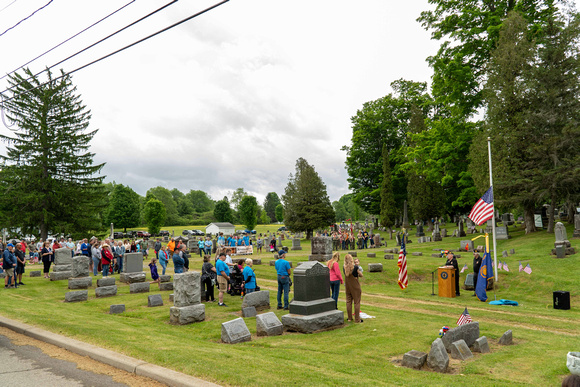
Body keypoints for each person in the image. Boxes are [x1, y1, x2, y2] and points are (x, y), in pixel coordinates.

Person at [343, 253, 363, 323]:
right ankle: (357, 319)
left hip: (348, 287)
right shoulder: (355, 268)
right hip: (355, 287)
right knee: (356, 302)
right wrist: (358, 273)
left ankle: (349, 318)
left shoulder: (344, 268)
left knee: (348, 302)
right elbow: (361, 275)